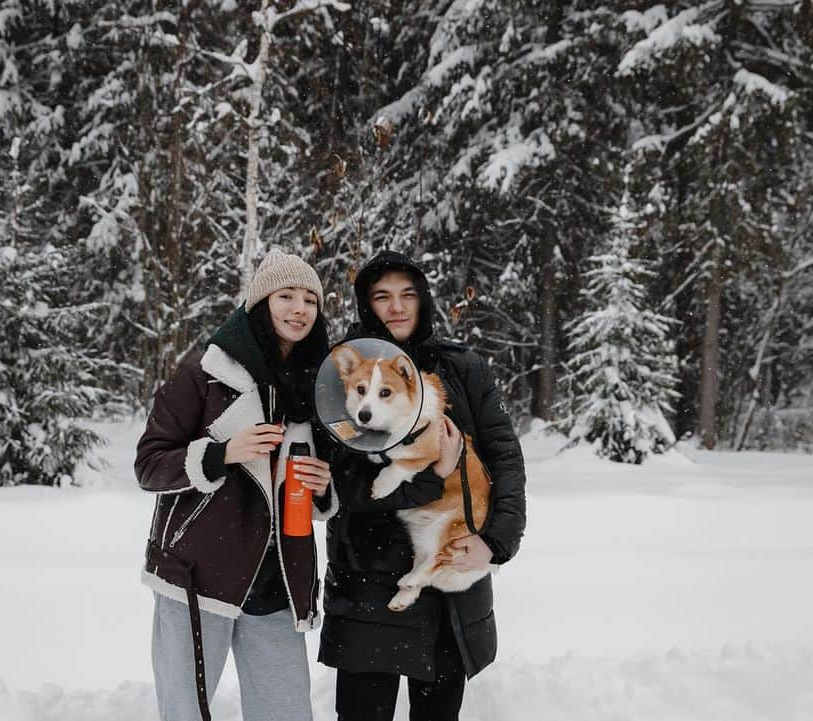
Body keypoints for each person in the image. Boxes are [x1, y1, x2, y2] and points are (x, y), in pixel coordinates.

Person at [318, 250, 527, 721]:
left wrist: (496, 542)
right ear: (365, 304)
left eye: (407, 295)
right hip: (368, 585)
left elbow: (505, 458)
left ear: (424, 300)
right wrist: (433, 476)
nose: (396, 307)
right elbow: (348, 484)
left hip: (447, 584)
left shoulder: (462, 366)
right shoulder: (340, 377)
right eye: (382, 297)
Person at [135, 250, 340, 721]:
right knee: (187, 711)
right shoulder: (205, 373)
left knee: (287, 714)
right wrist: (221, 452)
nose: (299, 308)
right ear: (259, 304)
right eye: (285, 295)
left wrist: (323, 485)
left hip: (278, 579)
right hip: (198, 574)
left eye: (310, 298)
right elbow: (149, 465)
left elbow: (319, 483)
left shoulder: (319, 386)